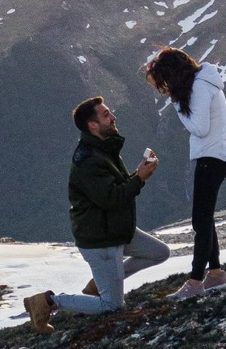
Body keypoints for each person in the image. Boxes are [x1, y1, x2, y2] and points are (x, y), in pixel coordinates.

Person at [23, 96, 170, 330]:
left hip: (116, 229)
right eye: (106, 115)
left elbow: (115, 188)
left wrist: (139, 174)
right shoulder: (89, 160)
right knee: (112, 306)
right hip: (101, 240)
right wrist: (140, 178)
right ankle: (47, 301)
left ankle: (99, 284)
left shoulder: (104, 149)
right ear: (92, 125)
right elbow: (110, 199)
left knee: (159, 252)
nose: (113, 117)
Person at [144, 46, 226, 298]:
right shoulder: (205, 82)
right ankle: (215, 275)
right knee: (205, 218)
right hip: (216, 156)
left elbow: (200, 128)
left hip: (211, 158)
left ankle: (195, 283)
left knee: (200, 221)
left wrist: (177, 107)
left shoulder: (203, 87)